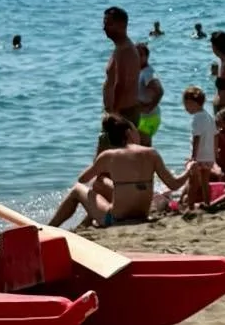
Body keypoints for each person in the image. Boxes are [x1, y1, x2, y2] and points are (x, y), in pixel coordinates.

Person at [49, 115, 187, 228]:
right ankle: (85, 224)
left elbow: (82, 179)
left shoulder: (109, 156)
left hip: (115, 219)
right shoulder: (151, 153)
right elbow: (174, 184)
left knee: (77, 190)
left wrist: (99, 157)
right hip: (142, 216)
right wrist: (189, 170)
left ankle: (50, 227)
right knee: (99, 184)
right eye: (135, 130)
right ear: (128, 133)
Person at [102, 6, 141, 123]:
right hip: (118, 112)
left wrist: (115, 113)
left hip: (122, 113)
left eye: (108, 24)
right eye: (104, 23)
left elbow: (122, 84)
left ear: (122, 25)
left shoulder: (126, 50)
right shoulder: (120, 48)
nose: (104, 28)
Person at [180, 86, 216, 207]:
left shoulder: (197, 118)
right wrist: (214, 153)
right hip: (209, 156)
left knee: (193, 183)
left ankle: (190, 206)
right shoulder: (208, 116)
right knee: (205, 182)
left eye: (186, 104)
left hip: (199, 156)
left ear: (193, 103)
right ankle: (207, 203)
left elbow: (197, 138)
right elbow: (215, 136)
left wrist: (193, 157)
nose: (185, 108)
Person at [135, 43, 165, 141]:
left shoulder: (148, 73)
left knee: (142, 148)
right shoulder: (141, 71)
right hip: (147, 116)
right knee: (143, 148)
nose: (138, 57)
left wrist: (149, 107)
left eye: (141, 55)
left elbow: (159, 91)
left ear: (147, 56)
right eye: (135, 54)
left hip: (148, 117)